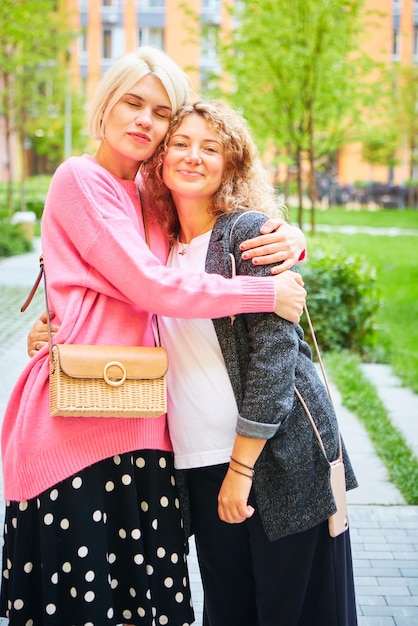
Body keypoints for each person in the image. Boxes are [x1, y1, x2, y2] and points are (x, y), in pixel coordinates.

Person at [1, 47, 306, 626]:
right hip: (77, 431)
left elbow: (210, 230)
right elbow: (152, 285)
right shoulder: (79, 180)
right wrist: (266, 294)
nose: (145, 119)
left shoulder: (149, 191)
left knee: (151, 608)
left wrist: (286, 240)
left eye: (161, 112)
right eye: (133, 102)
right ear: (106, 106)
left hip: (146, 430)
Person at [139, 99, 359, 626]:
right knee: (229, 610)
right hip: (199, 462)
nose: (193, 157)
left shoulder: (248, 234)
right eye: (182, 144)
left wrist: (241, 469)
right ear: (161, 156)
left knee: (297, 612)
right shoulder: (155, 246)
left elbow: (274, 362)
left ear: (231, 164)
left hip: (276, 460)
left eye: (210, 148)